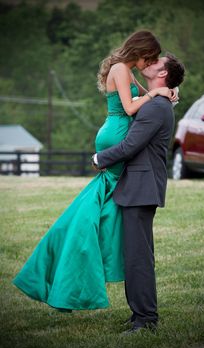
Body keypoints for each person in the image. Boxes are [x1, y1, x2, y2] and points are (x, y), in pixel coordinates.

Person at [12, 30, 175, 311]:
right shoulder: (122, 69)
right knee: (89, 218)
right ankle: (71, 269)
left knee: (89, 214)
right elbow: (129, 106)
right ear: (142, 51)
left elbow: (146, 102)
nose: (149, 63)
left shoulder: (128, 70)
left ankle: (74, 261)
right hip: (115, 137)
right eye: (150, 57)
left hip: (120, 138)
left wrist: (167, 92)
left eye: (154, 62)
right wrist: (158, 92)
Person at [93, 53, 185, 334]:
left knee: (138, 256)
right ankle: (140, 315)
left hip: (141, 188)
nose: (152, 60)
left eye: (158, 60)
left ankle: (146, 320)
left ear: (163, 74)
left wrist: (100, 158)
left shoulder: (156, 108)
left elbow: (131, 145)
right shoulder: (156, 100)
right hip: (138, 187)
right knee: (136, 254)